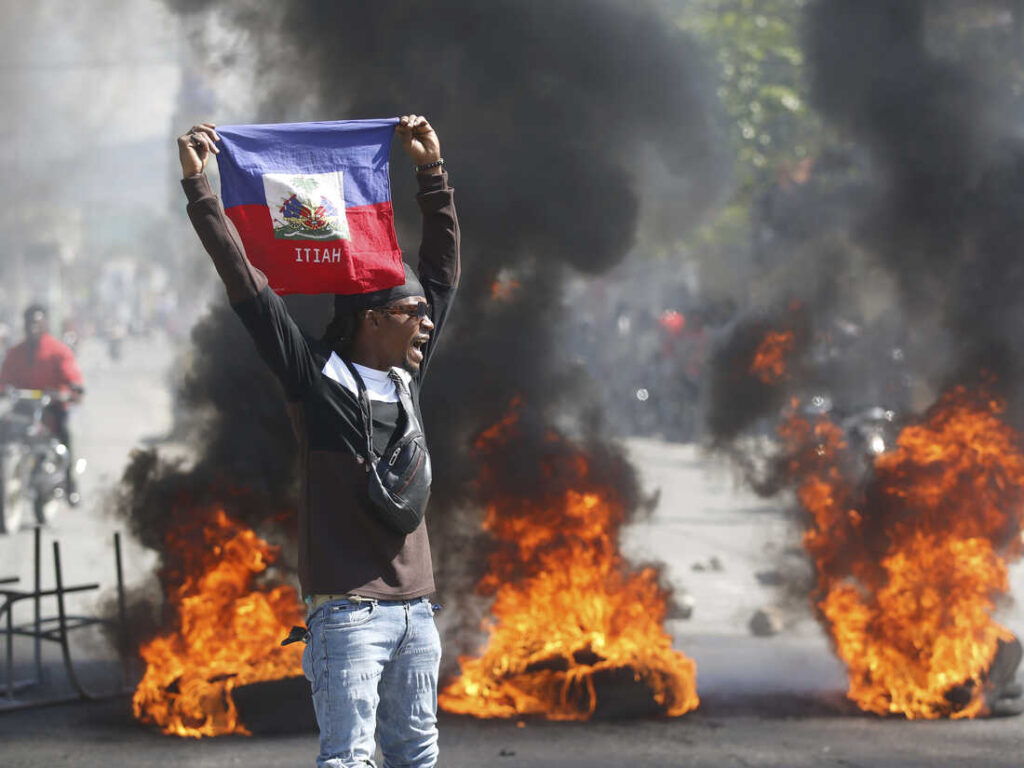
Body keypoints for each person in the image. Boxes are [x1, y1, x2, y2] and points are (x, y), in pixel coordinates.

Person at [178, 114, 459, 768]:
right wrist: (201, 191)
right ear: (369, 321)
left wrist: (431, 174)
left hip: (418, 615)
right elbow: (247, 285)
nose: (426, 321)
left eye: (423, 314)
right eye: (411, 312)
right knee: (349, 759)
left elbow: (443, 274)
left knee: (417, 755)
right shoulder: (317, 379)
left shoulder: (405, 380)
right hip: (349, 620)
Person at [0, 303, 85, 504]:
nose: (33, 327)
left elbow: (72, 376)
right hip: (23, 407)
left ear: (45, 323)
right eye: (29, 323)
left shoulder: (58, 351)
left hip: (51, 407)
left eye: (37, 322)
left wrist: (71, 390)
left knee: (64, 436)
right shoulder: (15, 353)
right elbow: (3, 379)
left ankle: (71, 485)